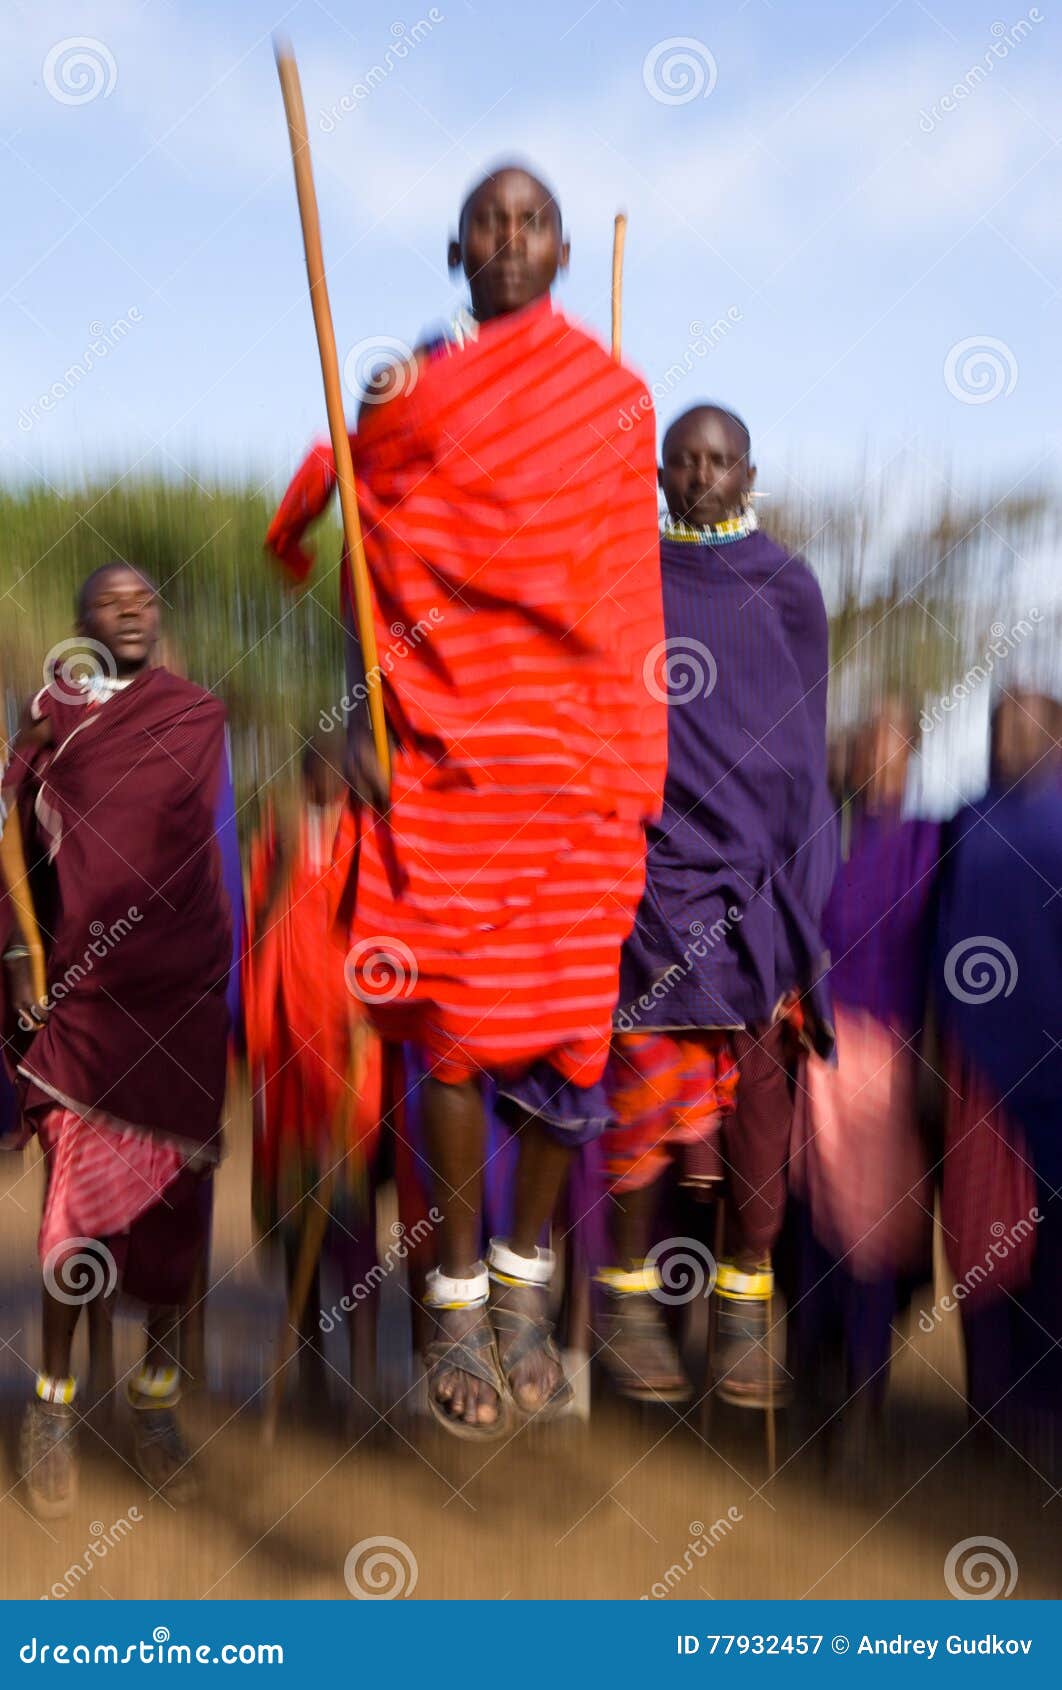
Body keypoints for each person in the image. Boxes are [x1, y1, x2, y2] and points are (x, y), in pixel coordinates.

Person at [265, 164, 666, 1438]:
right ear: (456, 249)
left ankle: (522, 1285)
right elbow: (373, 553)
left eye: (529, 220)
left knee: (567, 1044)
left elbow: (621, 590)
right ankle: (447, 1300)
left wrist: (623, 746)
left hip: (577, 766)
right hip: (438, 759)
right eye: (487, 221)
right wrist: (350, 716)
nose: (507, 237)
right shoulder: (414, 393)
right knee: (445, 1034)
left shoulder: (613, 400)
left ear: (556, 252)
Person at [598, 403, 835, 1408]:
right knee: (642, 1106)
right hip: (657, 877)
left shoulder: (789, 587)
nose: (702, 475)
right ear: (660, 474)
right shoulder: (627, 579)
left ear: (750, 471)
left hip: (764, 874)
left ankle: (745, 1299)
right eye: (684, 461)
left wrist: (794, 870)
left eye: (721, 460)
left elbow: (805, 742)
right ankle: (625, 1300)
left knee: (758, 1114)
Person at [1, 562, 234, 1517]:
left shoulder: (196, 714)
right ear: (81, 622)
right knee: (76, 1218)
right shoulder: (53, 715)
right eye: (110, 599)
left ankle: (156, 1405)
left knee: (174, 1215)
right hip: (86, 1000)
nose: (132, 607)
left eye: (144, 598)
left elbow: (202, 848)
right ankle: (52, 1408)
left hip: (180, 993)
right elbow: (9, 827)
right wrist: (21, 950)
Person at [786, 702, 938, 1469]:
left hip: (893, 1068)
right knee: (815, 1231)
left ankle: (862, 1407)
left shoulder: (935, 845)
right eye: (866, 740)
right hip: (819, 1055)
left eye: (892, 740)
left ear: (912, 755)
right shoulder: (821, 836)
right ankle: (813, 1388)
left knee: (874, 1243)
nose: (876, 756)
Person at [934, 683, 1062, 1473]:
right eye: (995, 725)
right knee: (981, 1239)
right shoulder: (968, 820)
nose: (1004, 739)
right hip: (976, 1074)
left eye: (1022, 725)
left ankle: (1046, 1407)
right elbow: (932, 937)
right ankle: (991, 1405)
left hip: (1054, 1078)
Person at [244, 730, 384, 1406]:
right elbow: (259, 937)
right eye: (317, 766)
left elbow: (382, 930)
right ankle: (311, 1377)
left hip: (349, 1051)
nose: (327, 777)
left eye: (338, 767)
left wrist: (371, 1008)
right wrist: (281, 872)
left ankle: (363, 1375)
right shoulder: (278, 834)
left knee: (352, 1219)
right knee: (299, 1222)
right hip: (289, 1056)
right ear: (303, 774)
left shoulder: (369, 835)